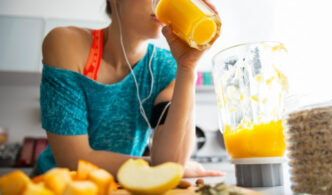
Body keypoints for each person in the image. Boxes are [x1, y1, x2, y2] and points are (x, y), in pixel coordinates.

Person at [36, 0, 224, 178]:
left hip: (121, 187)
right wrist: (158, 167)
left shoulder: (166, 66)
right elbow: (72, 160)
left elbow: (169, 162)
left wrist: (187, 67)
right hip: (55, 187)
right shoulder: (66, 44)